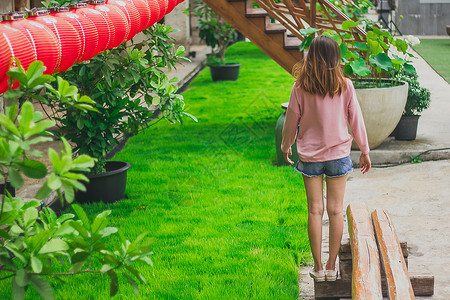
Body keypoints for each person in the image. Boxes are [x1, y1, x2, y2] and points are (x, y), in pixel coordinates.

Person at [281, 36, 371, 282]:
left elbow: (291, 119)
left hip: (310, 156)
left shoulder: (300, 87)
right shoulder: (345, 86)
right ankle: (332, 267)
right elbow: (356, 120)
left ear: (311, 56)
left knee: (314, 211)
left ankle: (318, 268)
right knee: (335, 211)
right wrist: (364, 149)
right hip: (338, 155)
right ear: (335, 59)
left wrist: (286, 145)